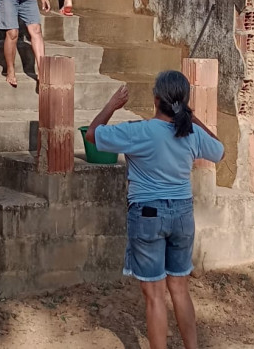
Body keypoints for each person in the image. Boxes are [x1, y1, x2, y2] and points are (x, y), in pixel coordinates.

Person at [85, 71, 224, 349]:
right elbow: (219, 150)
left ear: (156, 99)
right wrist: (192, 118)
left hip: (148, 215)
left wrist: (112, 105)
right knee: (180, 289)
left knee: (154, 294)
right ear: (183, 102)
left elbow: (91, 135)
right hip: (183, 215)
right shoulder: (191, 133)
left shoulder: (139, 131)